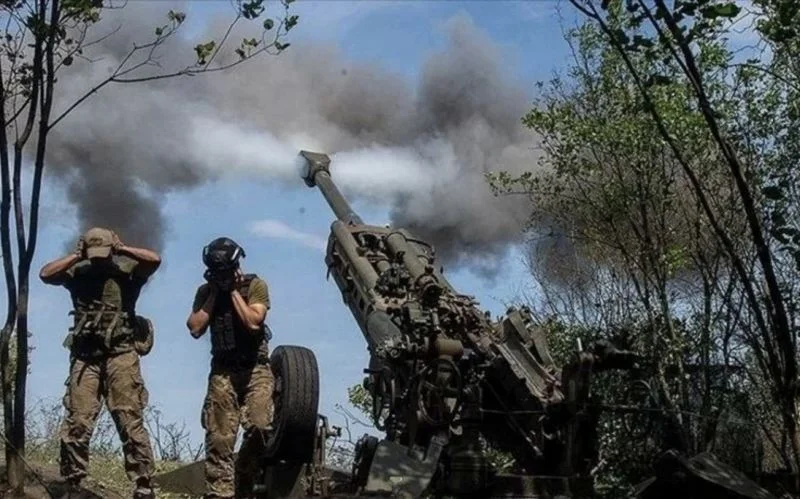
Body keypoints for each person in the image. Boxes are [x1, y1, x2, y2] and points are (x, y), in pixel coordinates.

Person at [39, 227, 160, 499]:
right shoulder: (77, 272)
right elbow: (46, 274)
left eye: (102, 254)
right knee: (77, 423)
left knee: (129, 421)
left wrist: (123, 248)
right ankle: (73, 483)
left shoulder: (127, 271)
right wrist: (75, 255)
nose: (98, 259)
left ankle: (143, 485)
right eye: (94, 255)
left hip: (121, 355)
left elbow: (154, 260)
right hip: (85, 358)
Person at [186, 236, 274, 499]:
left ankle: (244, 477)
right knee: (220, 438)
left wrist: (234, 291)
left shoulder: (254, 286)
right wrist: (214, 293)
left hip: (255, 369)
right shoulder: (205, 292)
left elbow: (253, 322)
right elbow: (195, 327)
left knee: (260, 426)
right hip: (223, 371)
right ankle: (220, 493)